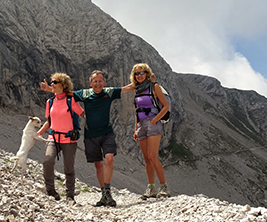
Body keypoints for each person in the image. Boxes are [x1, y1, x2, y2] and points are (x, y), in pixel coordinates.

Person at [41, 70, 133, 207]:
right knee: (50, 161)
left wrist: (145, 79)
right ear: (90, 83)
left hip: (93, 135)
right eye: (95, 81)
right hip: (74, 136)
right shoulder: (74, 96)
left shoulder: (107, 92)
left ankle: (81, 195)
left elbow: (128, 88)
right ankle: (52, 192)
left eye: (100, 80)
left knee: (103, 160)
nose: (97, 83)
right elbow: (62, 99)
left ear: (104, 82)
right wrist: (50, 89)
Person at [37, 73, 85, 203]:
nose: (52, 84)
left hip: (69, 139)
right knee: (48, 161)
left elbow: (83, 114)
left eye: (55, 82)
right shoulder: (50, 102)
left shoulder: (71, 101)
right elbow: (49, 121)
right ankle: (51, 192)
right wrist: (39, 134)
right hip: (53, 137)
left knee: (68, 168)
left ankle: (70, 195)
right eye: (52, 82)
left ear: (63, 85)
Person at [130, 63, 171, 199]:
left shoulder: (154, 87)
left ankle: (164, 187)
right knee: (147, 159)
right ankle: (151, 187)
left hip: (153, 123)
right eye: (136, 73)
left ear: (147, 74)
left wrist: (155, 120)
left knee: (153, 157)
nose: (139, 75)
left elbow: (165, 107)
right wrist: (136, 129)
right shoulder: (137, 90)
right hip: (141, 124)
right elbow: (137, 111)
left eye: (142, 72)